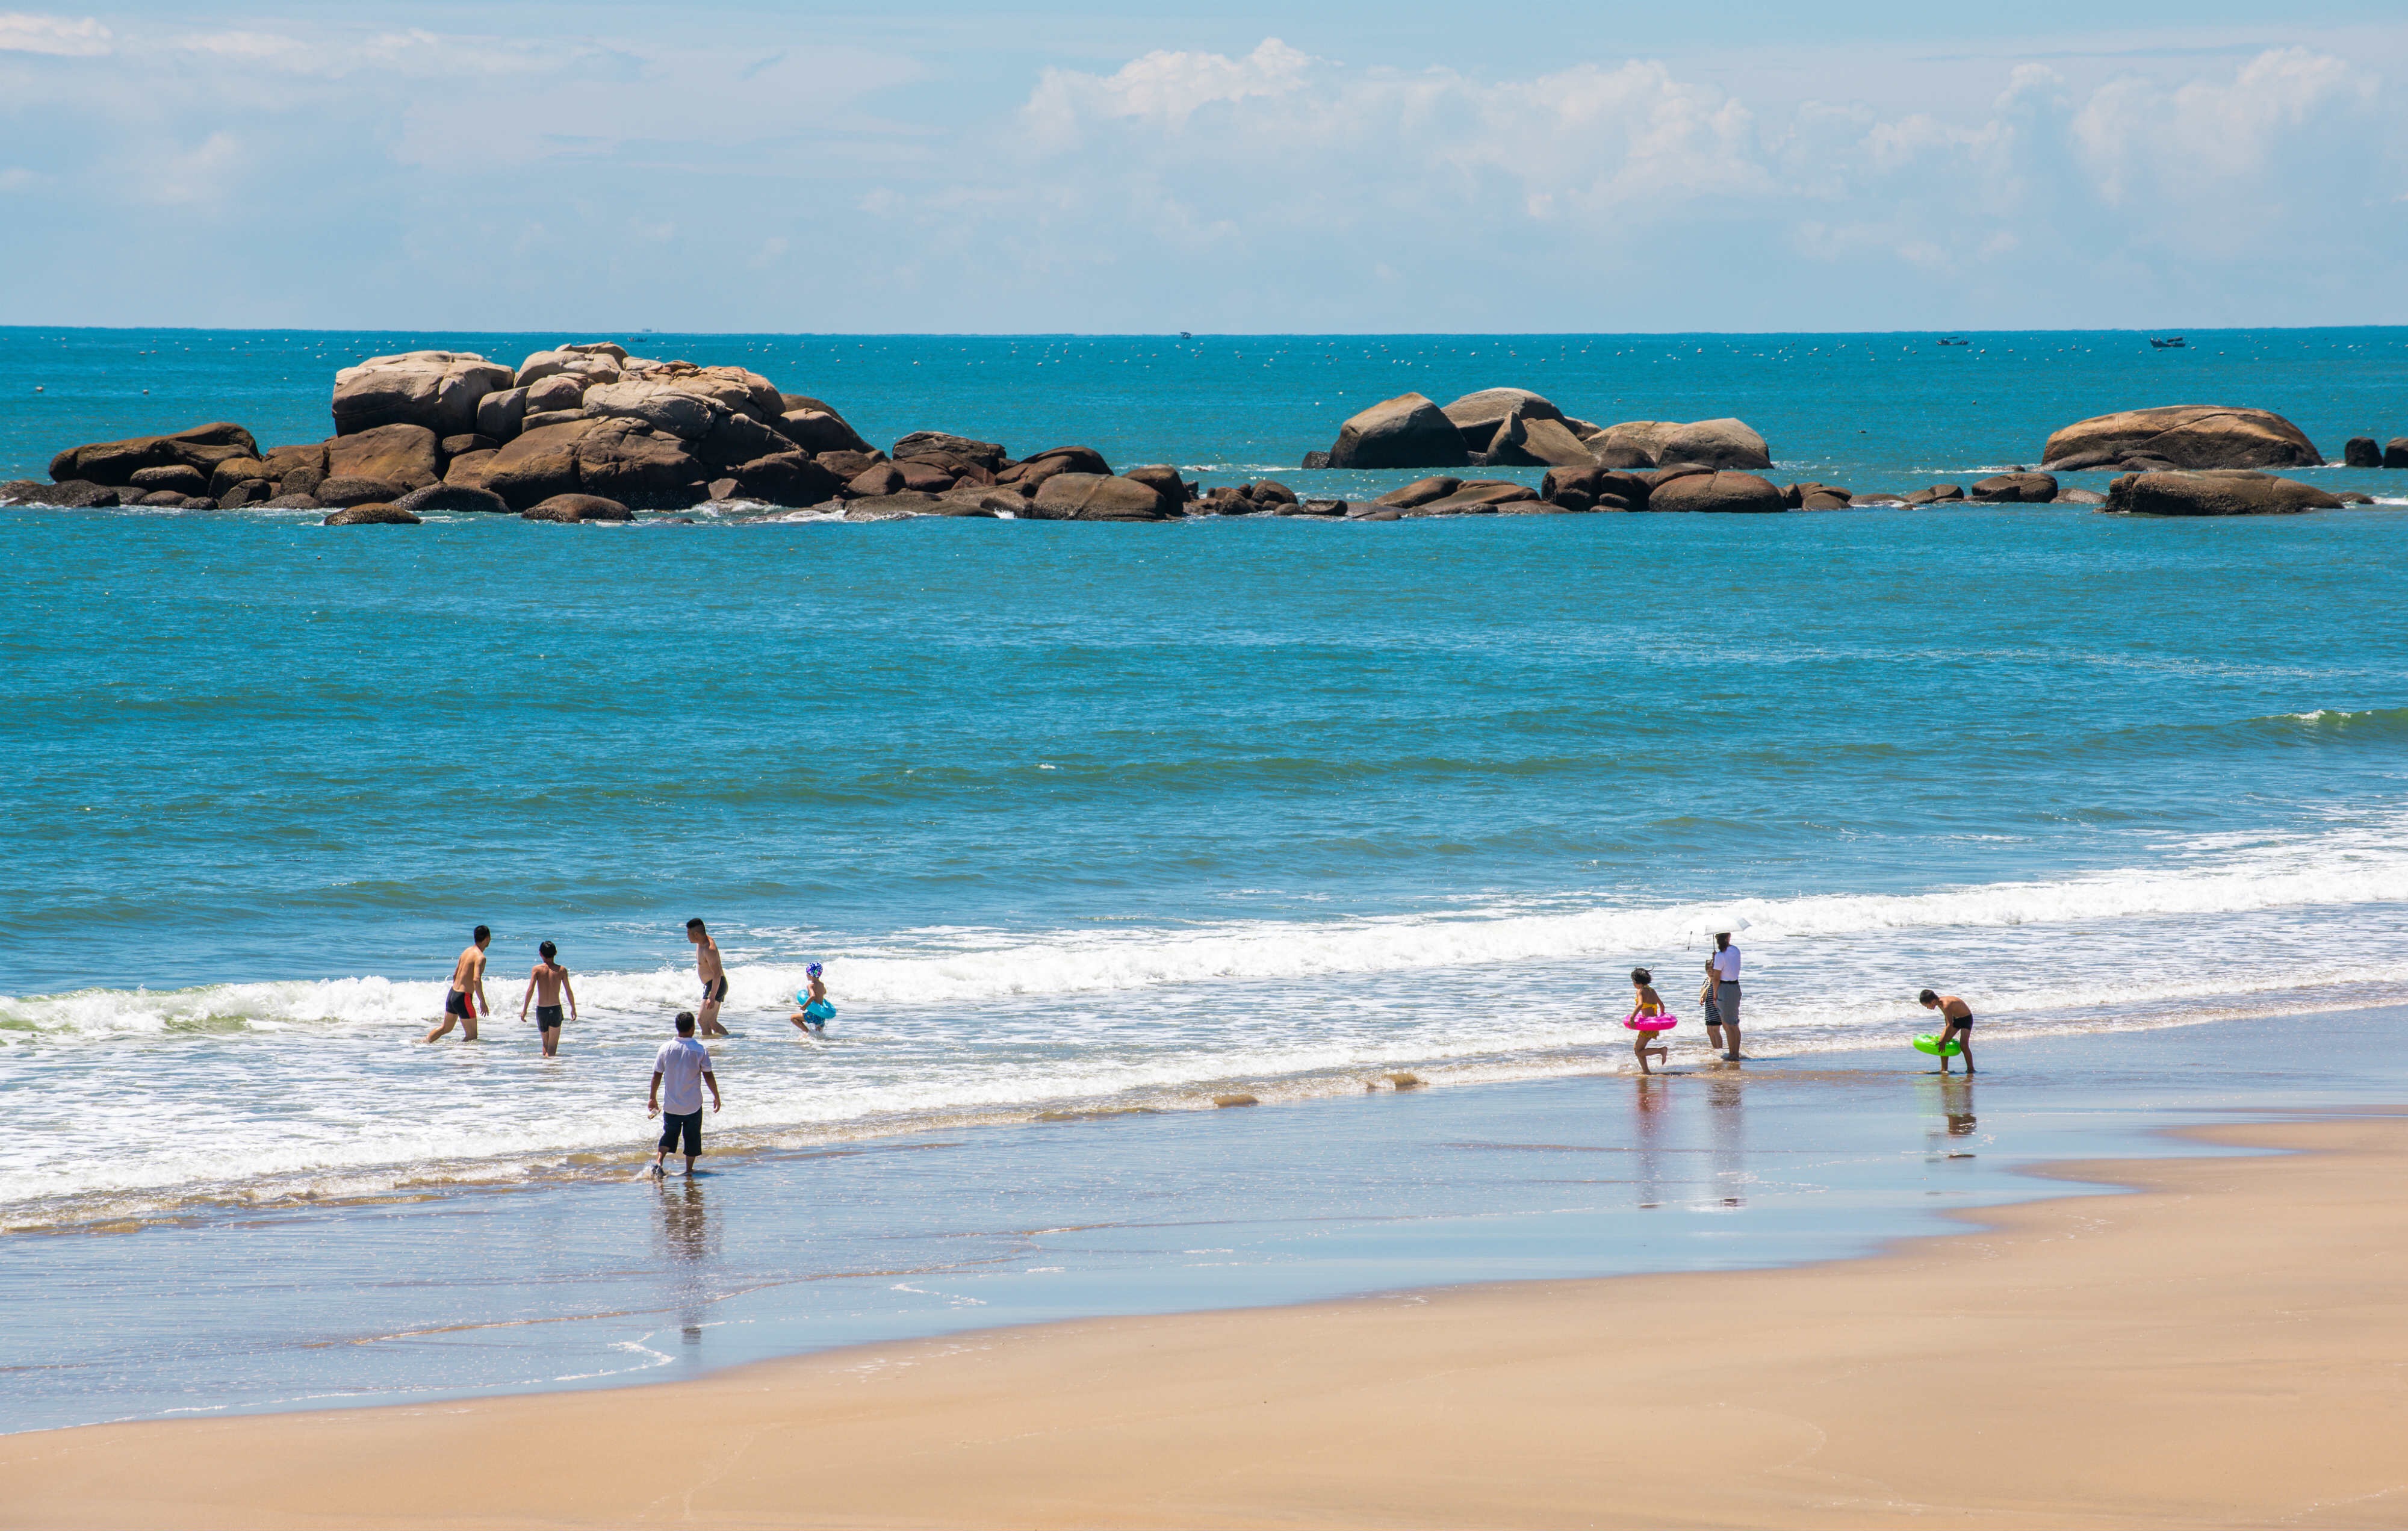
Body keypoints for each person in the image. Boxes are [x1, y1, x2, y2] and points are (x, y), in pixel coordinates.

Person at [648, 1011, 721, 1176]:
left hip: (671, 1104)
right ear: (693, 1028)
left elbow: (657, 1074)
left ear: (677, 1027)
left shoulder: (665, 1048)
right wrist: (716, 1096)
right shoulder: (699, 1050)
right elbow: (708, 1075)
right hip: (693, 1105)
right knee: (692, 1138)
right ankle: (688, 1170)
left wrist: (652, 1097)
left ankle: (659, 1161)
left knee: (669, 1134)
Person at [423, 925, 492, 1043]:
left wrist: (458, 994)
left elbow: (455, 975)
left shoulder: (467, 951)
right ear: (488, 938)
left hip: (453, 994)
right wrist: (482, 1002)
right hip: (463, 997)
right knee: (472, 1036)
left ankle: (424, 1043)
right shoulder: (480, 957)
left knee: (446, 1028)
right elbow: (476, 980)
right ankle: (460, 1057)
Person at [519, 940, 577, 1057]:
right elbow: (568, 991)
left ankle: (545, 1072)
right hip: (555, 1010)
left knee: (545, 1045)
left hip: (541, 1011)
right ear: (556, 953)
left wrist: (524, 1009)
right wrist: (573, 1008)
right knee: (552, 1048)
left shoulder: (537, 970)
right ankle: (551, 1073)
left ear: (540, 954)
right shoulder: (561, 970)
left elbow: (530, 990)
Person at [687, 918, 729, 1037]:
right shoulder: (700, 943)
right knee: (712, 1023)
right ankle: (727, 1043)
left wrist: (712, 996)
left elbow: (717, 974)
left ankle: (708, 1049)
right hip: (712, 985)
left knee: (702, 1020)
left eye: (688, 934)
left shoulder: (709, 949)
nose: (687, 936)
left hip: (716, 984)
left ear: (696, 934)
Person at [1919, 989, 1976, 1074]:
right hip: (1955, 1020)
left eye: (1927, 1006)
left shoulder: (1946, 1005)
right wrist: (1944, 1038)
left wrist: (1944, 1040)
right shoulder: (1940, 1003)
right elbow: (1948, 1020)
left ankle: (1971, 1069)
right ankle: (1944, 1069)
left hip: (1966, 1019)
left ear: (1933, 1001)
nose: (1928, 1008)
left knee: (1963, 1045)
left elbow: (1950, 1025)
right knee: (1942, 1041)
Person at [1705, 931, 1742, 1061]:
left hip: (1725, 988)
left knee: (1728, 1025)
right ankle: (1734, 1052)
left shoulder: (1721, 956)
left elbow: (1716, 978)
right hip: (1735, 986)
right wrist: (1718, 959)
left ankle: (1734, 1054)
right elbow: (1730, 965)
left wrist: (1715, 995)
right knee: (1733, 1024)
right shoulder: (1736, 950)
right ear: (1729, 938)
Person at [1627, 967, 1669, 1075]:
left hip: (1648, 1026)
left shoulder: (1640, 991)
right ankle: (1646, 1071)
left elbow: (1640, 1004)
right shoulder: (1652, 990)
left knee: (1638, 1050)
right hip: (1654, 1024)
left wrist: (1632, 1017)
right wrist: (1661, 1017)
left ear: (1638, 982)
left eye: (1633, 982)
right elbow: (1662, 1006)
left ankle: (1661, 1050)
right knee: (1639, 1049)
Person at [789, 962, 833, 1034]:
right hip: (821, 1014)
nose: (806, 975)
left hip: (813, 1014)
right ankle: (814, 1038)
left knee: (793, 1018)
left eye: (807, 973)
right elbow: (824, 992)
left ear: (811, 974)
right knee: (819, 1034)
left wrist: (804, 1007)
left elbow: (813, 996)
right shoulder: (822, 985)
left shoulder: (811, 986)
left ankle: (807, 1033)